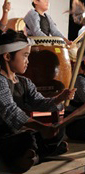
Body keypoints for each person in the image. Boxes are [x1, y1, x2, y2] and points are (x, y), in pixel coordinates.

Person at [0, 29, 76, 173]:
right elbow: (10, 111)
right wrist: (41, 127)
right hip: (3, 135)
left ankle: (33, 154)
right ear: (8, 56)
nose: (28, 61)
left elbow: (39, 103)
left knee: (58, 129)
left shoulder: (23, 82)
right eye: (25, 56)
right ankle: (38, 154)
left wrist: (60, 98)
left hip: (17, 133)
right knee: (27, 138)